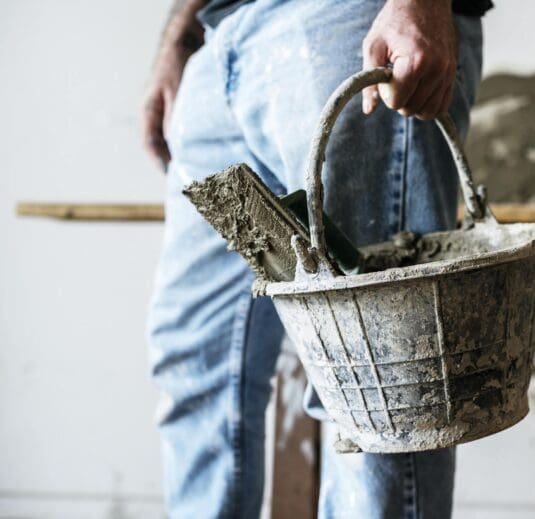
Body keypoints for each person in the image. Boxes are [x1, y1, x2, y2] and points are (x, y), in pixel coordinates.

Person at [142, 0, 491, 517]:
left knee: (380, 389)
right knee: (197, 366)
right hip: (218, 38)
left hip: (348, 22)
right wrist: (179, 37)